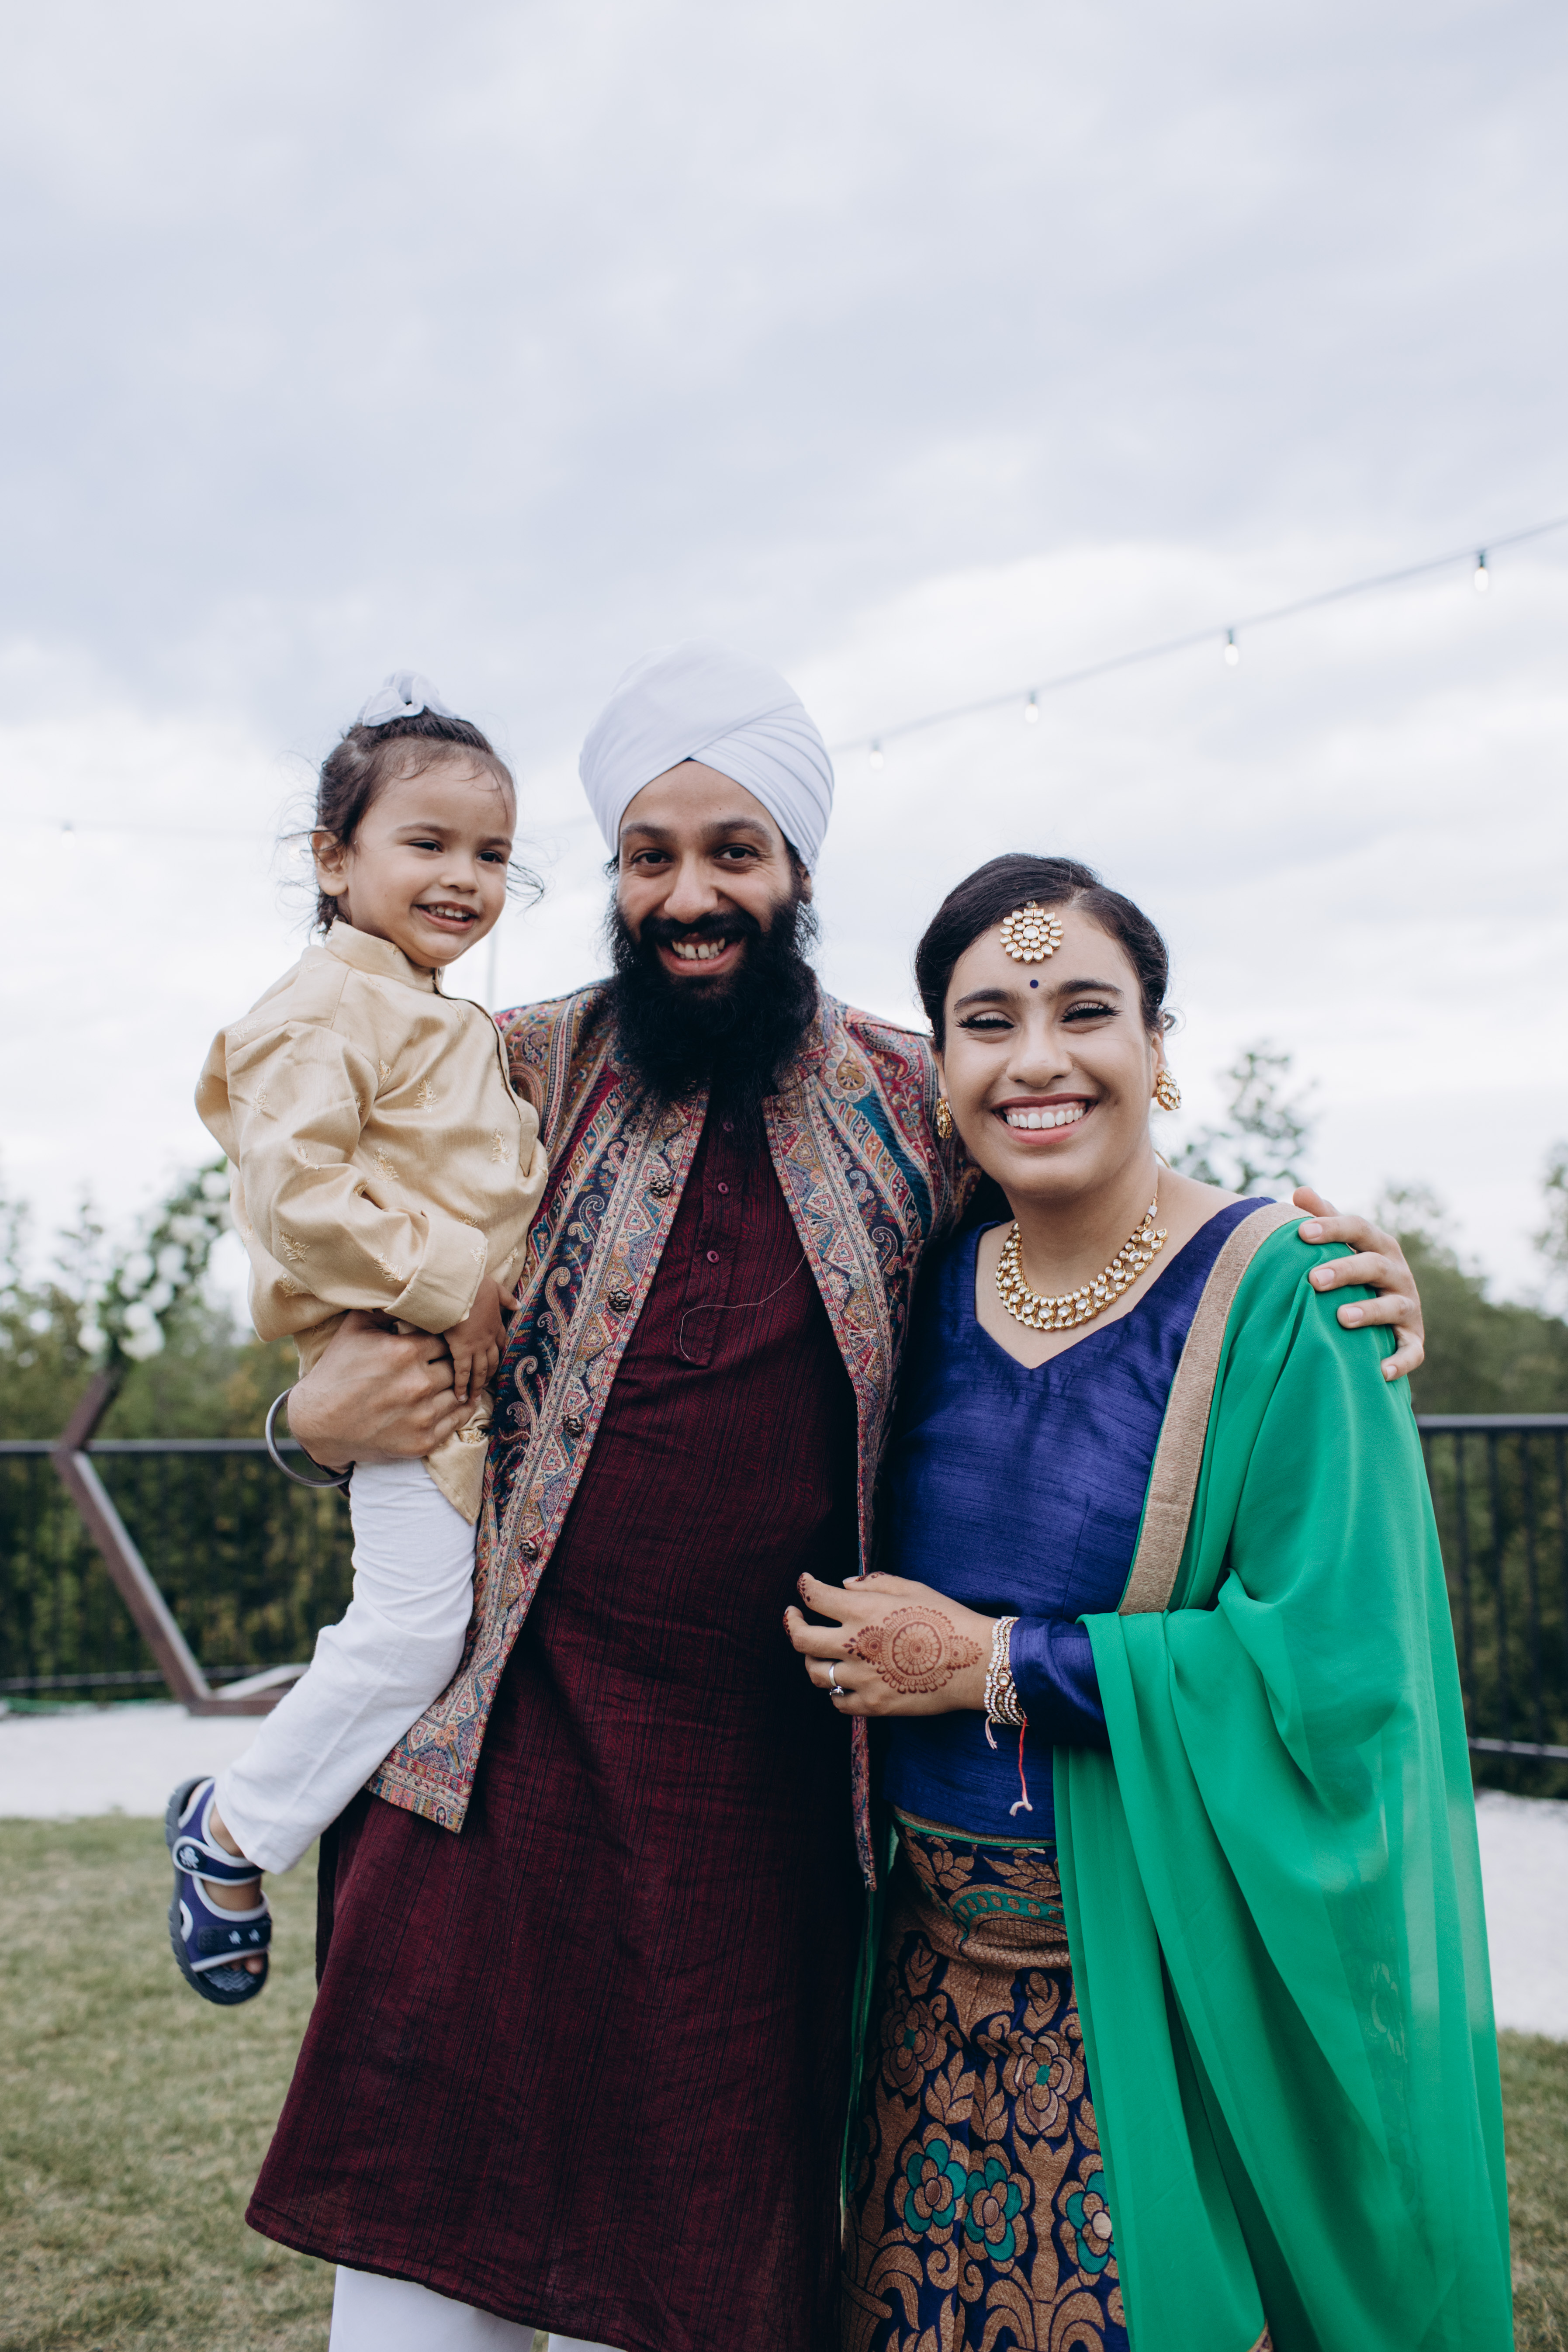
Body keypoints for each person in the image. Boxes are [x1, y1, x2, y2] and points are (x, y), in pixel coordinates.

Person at [245, 646, 1431, 2352]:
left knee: (676, 2303)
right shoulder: (505, 1071)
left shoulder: (902, 1104)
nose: (691, 896)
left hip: (759, 1837)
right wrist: (302, 1423)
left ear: (798, 870)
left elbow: (1083, 1190)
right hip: (486, 1796)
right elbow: (319, 1228)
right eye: (650, 856)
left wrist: (1308, 1256)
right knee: (414, 2315)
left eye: (734, 852)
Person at [786, 855, 1509, 2352]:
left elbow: (1338, 1678)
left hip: (1159, 1984)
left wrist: (997, 1663)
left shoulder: (1289, 1296)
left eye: (1084, 1011)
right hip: (920, 1984)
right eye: (989, 1022)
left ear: (1158, 1044)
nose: (1037, 1059)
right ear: (942, 1070)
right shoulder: (917, 1286)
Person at [166, 675, 546, 2007]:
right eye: (427, 842)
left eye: (492, 855)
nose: (464, 878)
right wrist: (455, 1277)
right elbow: (295, 1196)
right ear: (334, 859)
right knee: (409, 1634)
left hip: (466, 1380)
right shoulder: (319, 1009)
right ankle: (229, 1831)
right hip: (400, 1373)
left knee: (458, 1632)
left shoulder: (441, 1015)